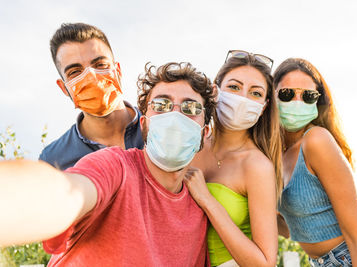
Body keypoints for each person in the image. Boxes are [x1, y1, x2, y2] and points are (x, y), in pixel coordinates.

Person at [0, 62, 215, 266]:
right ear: (144, 124)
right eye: (161, 104)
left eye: (191, 108)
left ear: (204, 133)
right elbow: (67, 192)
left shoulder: (198, 210)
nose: (174, 115)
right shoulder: (115, 167)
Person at [274, 58, 357, 267]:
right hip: (328, 262)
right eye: (287, 94)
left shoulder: (316, 140)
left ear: (318, 101)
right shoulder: (276, 156)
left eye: (308, 96)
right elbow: (290, 228)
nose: (297, 102)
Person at [184, 50, 282, 267]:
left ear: (264, 107)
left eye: (255, 94)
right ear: (215, 91)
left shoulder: (257, 166)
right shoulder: (191, 144)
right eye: (234, 87)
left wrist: (208, 201)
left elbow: (265, 263)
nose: (242, 99)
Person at [39, 23, 143, 170]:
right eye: (75, 72)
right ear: (64, 88)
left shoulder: (161, 126)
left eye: (100, 64)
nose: (91, 77)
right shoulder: (53, 161)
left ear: (118, 71)